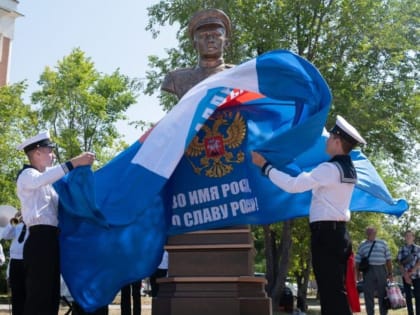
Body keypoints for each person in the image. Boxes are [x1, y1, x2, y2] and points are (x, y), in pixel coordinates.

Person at [252, 115, 367, 315]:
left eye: (330, 137)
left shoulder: (329, 169)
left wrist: (265, 166)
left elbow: (293, 185)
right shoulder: (348, 169)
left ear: (338, 142)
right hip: (338, 234)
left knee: (330, 291)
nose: (327, 140)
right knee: (335, 291)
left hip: (326, 235)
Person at [16, 130, 95, 315]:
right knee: (39, 294)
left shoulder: (50, 182)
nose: (53, 155)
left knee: (52, 294)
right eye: (49, 151)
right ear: (37, 153)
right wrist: (75, 162)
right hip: (39, 239)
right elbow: (43, 178)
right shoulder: (27, 174)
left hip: (52, 239)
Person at [161, 8, 233, 99]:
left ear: (226, 42)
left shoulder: (240, 75)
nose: (210, 40)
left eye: (217, 35)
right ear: (194, 44)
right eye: (203, 36)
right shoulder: (176, 78)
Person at [355, 227, 393, 315]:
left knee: (383, 294)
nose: (370, 234)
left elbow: (388, 259)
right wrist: (358, 273)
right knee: (368, 295)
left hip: (381, 270)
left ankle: (383, 313)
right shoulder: (362, 244)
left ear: (376, 233)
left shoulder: (383, 243)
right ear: (366, 234)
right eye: (368, 233)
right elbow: (357, 261)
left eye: (372, 232)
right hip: (368, 271)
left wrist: (390, 273)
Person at [1, 211, 28, 315]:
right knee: (17, 295)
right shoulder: (17, 225)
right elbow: (5, 235)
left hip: (29, 261)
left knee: (29, 294)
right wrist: (15, 220)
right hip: (15, 262)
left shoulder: (35, 226)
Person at [397, 230, 419, 315]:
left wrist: (411, 272)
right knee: (408, 297)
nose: (408, 237)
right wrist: (406, 275)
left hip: (417, 276)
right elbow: (400, 263)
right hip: (405, 276)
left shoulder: (418, 248)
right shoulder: (401, 249)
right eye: (407, 236)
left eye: (410, 235)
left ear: (413, 237)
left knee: (418, 296)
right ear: (405, 238)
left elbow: (419, 262)